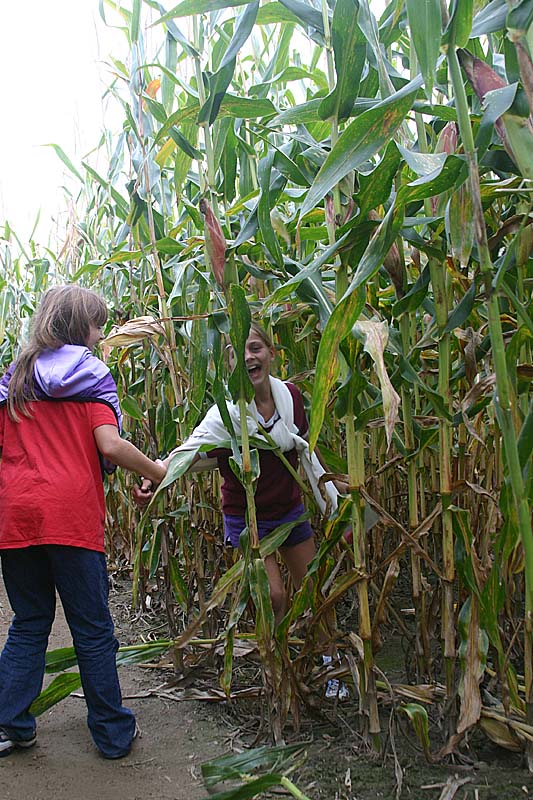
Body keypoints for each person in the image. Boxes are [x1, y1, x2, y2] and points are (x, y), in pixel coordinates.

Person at [134, 322, 348, 699]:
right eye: (237, 353)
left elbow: (305, 448)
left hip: (289, 510)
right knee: (274, 596)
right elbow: (189, 452)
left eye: (255, 348)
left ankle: (329, 664)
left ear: (271, 352)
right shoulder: (226, 414)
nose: (249, 357)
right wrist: (155, 478)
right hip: (247, 516)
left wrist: (336, 493)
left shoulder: (291, 398)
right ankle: (280, 665)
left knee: (316, 588)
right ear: (229, 364)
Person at [0, 285, 166, 759]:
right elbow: (109, 446)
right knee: (93, 630)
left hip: (17, 516)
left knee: (29, 623)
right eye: (96, 324)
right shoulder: (88, 375)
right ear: (78, 327)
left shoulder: (15, 378)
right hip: (70, 516)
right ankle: (113, 735)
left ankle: (10, 724)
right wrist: (159, 471)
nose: (100, 334)